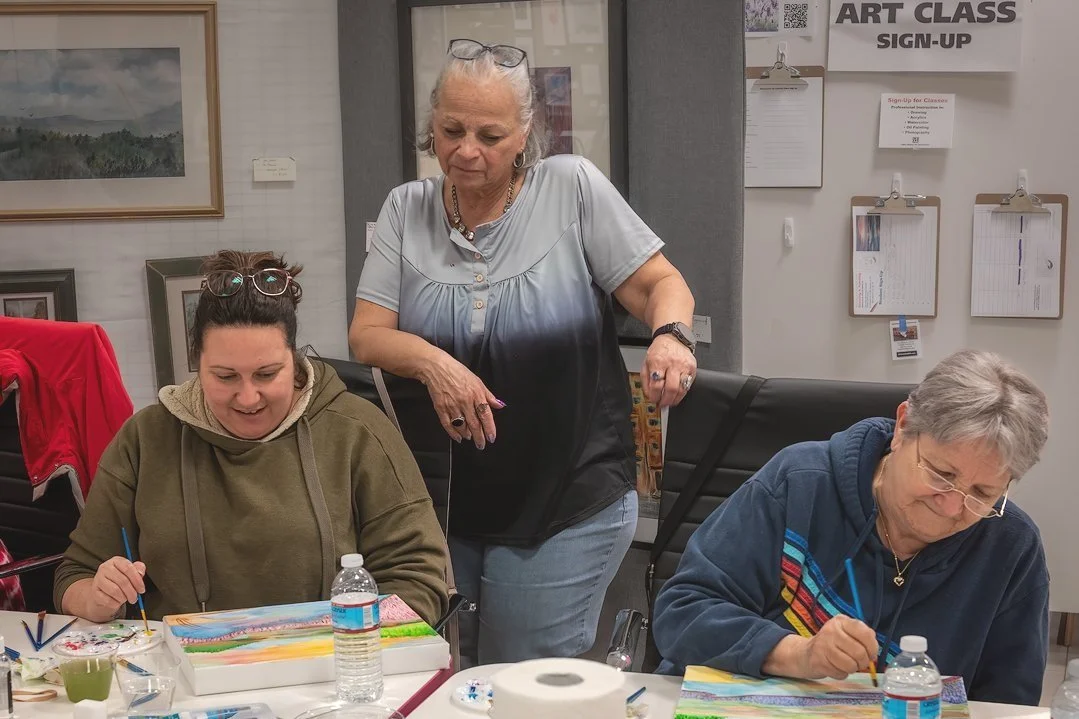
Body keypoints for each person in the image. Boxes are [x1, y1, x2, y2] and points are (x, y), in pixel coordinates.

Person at [349, 39, 697, 664]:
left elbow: (659, 285)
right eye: (451, 129)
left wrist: (671, 336)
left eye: (489, 134)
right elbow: (367, 334)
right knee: (442, 674)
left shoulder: (570, 189)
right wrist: (436, 363)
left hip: (566, 494)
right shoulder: (407, 208)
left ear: (525, 133)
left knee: (519, 682)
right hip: (446, 499)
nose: (466, 150)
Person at [54, 250, 449, 626]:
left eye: (266, 374)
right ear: (196, 362)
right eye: (225, 377)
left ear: (294, 359)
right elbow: (75, 575)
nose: (247, 398)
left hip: (326, 669)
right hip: (180, 677)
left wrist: (330, 643)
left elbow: (419, 582)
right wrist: (96, 597)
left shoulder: (357, 431)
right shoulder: (146, 438)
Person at [652, 350, 1050, 705]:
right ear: (903, 426)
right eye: (941, 474)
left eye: (982, 493)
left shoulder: (1012, 548)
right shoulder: (800, 483)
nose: (951, 507)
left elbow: (1008, 705)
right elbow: (681, 613)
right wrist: (800, 655)